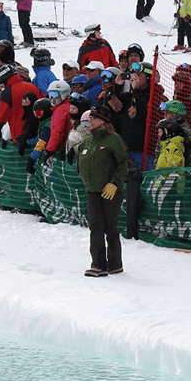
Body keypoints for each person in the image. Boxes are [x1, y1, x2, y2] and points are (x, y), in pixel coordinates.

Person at [76, 105, 127, 276]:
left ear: (104, 122)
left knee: (110, 227)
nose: (89, 121)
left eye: (93, 118)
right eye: (89, 118)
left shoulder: (114, 140)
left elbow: (122, 165)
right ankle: (98, 264)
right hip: (92, 190)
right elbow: (80, 164)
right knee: (95, 227)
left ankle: (115, 264)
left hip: (110, 191)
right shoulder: (86, 141)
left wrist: (115, 183)